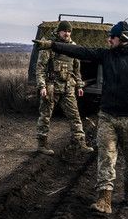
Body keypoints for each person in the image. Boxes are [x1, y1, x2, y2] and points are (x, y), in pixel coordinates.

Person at [33, 20, 128, 214]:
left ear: (123, 38)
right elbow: (81, 52)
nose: (108, 40)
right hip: (107, 116)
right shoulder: (107, 55)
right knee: (105, 157)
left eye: (112, 37)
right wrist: (52, 45)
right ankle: (104, 199)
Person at [35, 21, 94, 155]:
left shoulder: (73, 47)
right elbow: (40, 68)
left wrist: (79, 84)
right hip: (51, 87)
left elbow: (76, 69)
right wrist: (42, 86)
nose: (67, 34)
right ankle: (42, 144)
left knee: (75, 116)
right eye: (64, 31)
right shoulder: (49, 45)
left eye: (69, 31)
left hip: (68, 87)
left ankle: (80, 143)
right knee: (45, 116)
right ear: (59, 31)